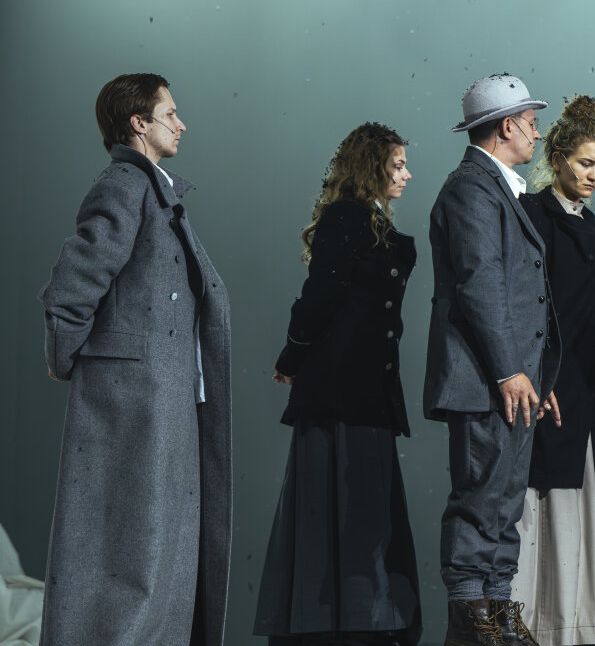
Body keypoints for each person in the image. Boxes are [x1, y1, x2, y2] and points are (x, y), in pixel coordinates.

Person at [38, 73, 232, 645]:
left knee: (159, 549)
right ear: (138, 123)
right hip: (135, 401)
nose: (181, 124)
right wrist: (67, 358)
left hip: (161, 399)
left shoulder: (153, 189)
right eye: (169, 113)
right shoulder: (125, 184)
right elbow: (73, 284)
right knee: (135, 552)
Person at [253, 123, 422, 646]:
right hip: (341, 391)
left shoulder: (366, 220)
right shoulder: (347, 217)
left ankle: (360, 624)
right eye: (397, 165)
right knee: (347, 511)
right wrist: (293, 356)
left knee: (360, 512)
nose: (407, 175)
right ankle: (341, 628)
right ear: (372, 167)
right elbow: (319, 294)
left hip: (364, 390)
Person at [424, 73, 562, 646]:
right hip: (484, 379)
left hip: (507, 377)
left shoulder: (497, 189)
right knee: (482, 496)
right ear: (507, 127)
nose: (537, 133)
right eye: (531, 123)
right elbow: (480, 284)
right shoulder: (471, 190)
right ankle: (470, 616)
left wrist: (534, 375)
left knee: (505, 501)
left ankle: (498, 610)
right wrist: (510, 370)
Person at [512, 95, 595, 646]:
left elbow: (587, 310)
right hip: (549, 382)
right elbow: (523, 303)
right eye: (585, 163)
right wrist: (539, 372)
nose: (593, 175)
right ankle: (538, 627)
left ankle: (584, 631)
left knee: (586, 497)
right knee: (542, 499)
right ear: (557, 158)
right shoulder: (531, 214)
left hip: (589, 384)